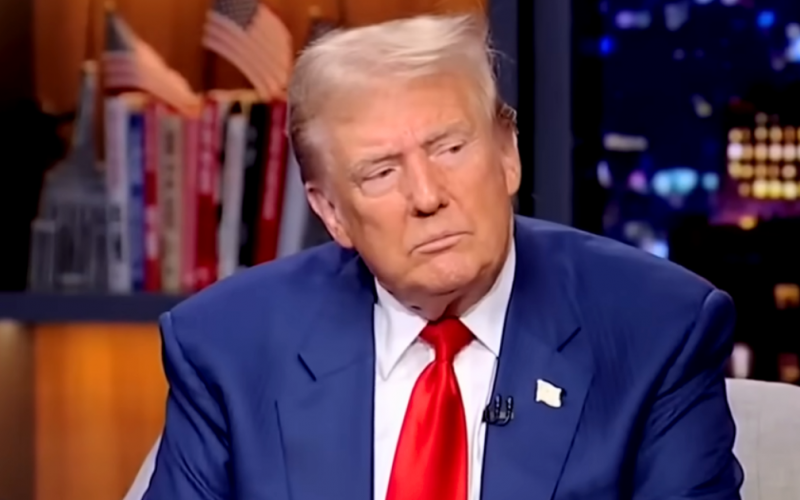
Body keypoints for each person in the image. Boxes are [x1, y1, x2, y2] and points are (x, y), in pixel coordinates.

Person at [142, 13, 743, 500]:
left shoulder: (657, 333)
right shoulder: (227, 348)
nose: (427, 196)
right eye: (380, 172)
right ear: (330, 212)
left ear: (507, 154)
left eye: (450, 148)